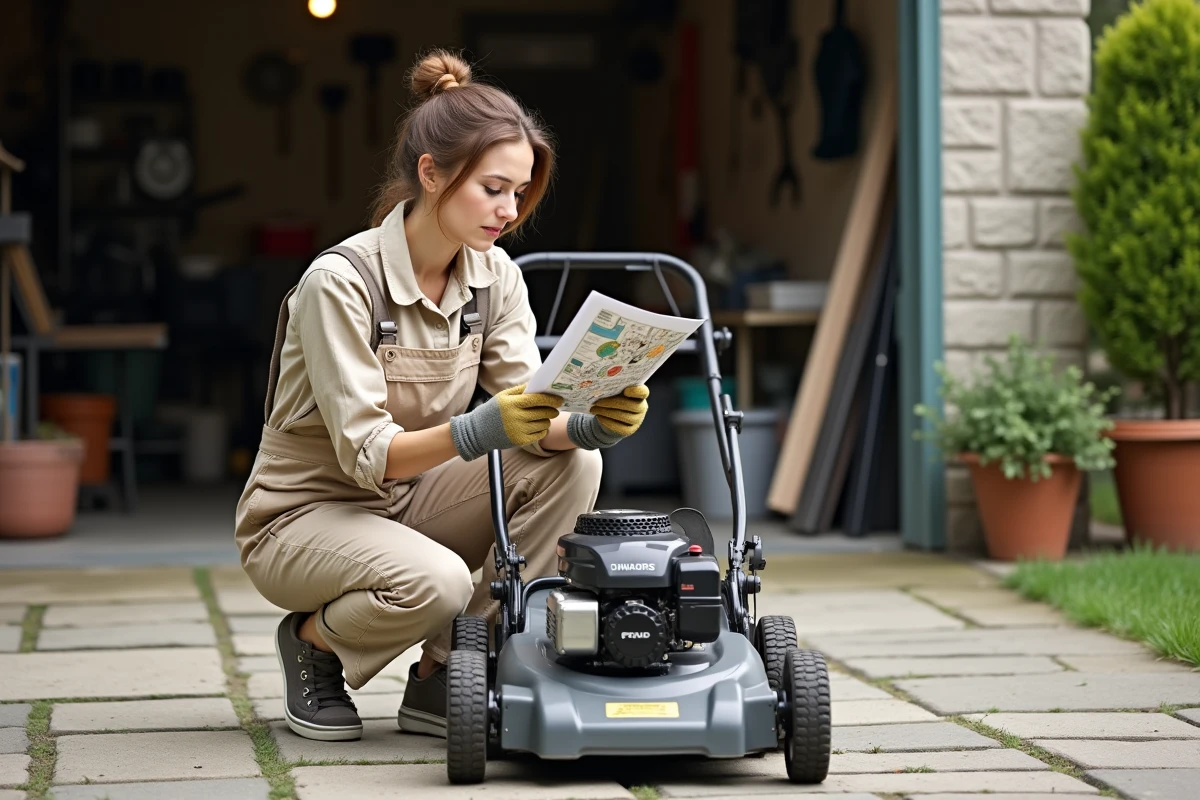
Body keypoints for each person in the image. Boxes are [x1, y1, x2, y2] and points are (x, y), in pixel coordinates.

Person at [233, 49, 652, 743]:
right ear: (431, 174)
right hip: (302, 515)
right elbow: (369, 455)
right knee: (439, 583)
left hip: (408, 502)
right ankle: (315, 642)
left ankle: (448, 673)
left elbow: (530, 418)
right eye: (492, 189)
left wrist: (588, 428)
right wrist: (480, 428)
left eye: (518, 193)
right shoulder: (341, 281)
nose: (508, 210)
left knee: (574, 466)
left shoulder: (495, 277)